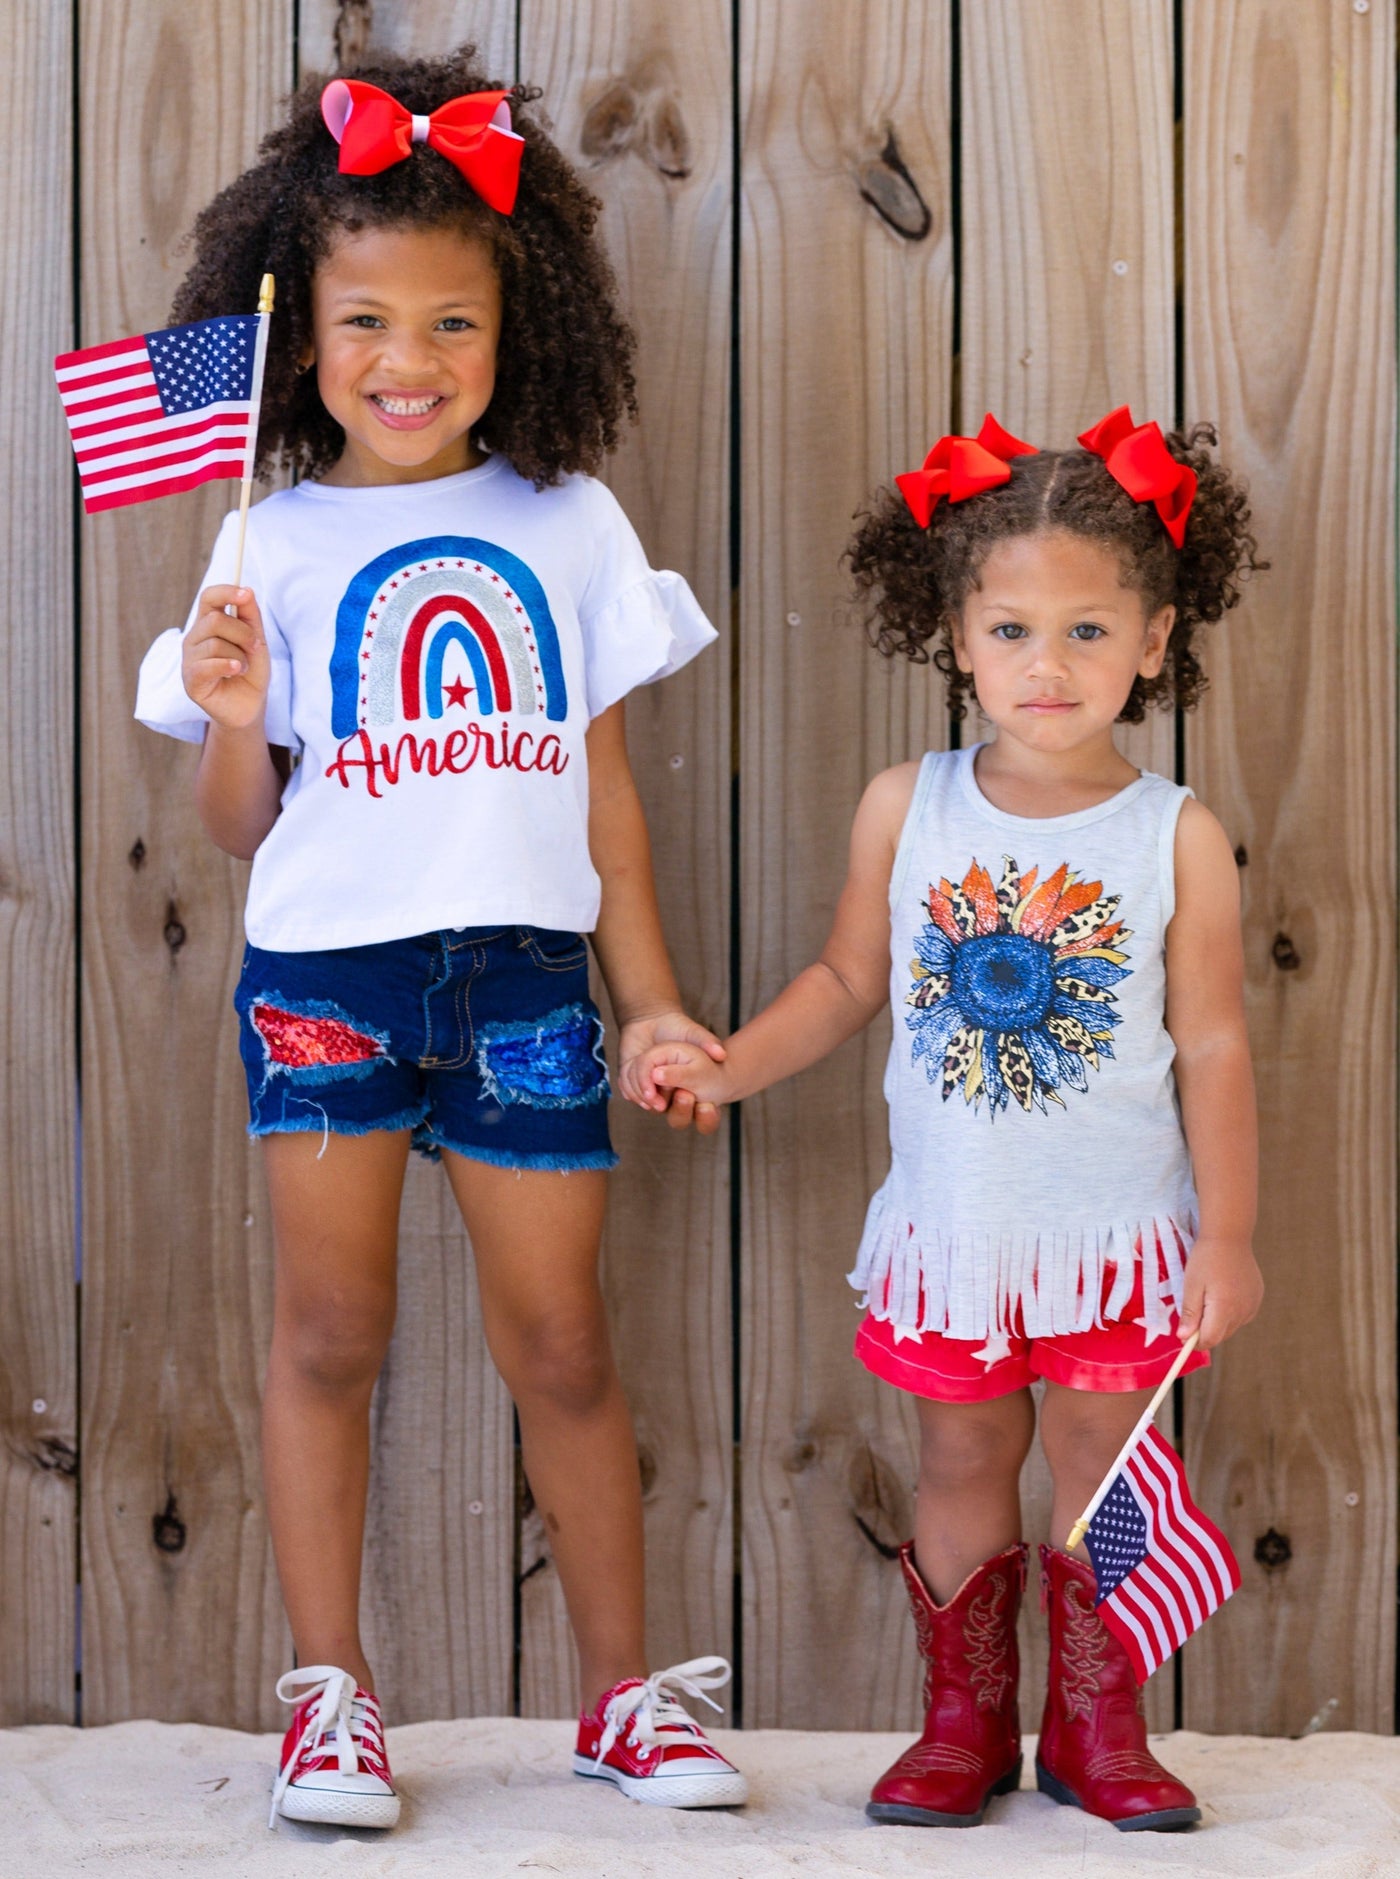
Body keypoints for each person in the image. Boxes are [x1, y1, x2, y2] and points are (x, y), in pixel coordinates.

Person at [135, 45, 746, 1831]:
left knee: (561, 1345)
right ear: (299, 336)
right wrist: (238, 713)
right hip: (326, 985)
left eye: (454, 327)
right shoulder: (268, 543)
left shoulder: (567, 523)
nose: (409, 365)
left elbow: (604, 800)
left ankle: (622, 1701)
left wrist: (650, 1002)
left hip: (531, 988)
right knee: (329, 1331)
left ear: (520, 331)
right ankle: (332, 1701)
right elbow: (242, 829)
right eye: (367, 324)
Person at [628, 409, 1266, 1833]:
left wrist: (1229, 1236)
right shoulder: (904, 807)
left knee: (1103, 1476)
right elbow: (851, 979)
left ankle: (1098, 1731)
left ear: (1159, 640)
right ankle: (963, 1723)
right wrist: (730, 1065)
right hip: (957, 1237)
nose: (1051, 667)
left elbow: (1215, 1044)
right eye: (1015, 630)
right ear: (957, 637)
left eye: (1091, 632)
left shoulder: (1174, 834)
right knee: (963, 1464)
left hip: (1117, 1243)